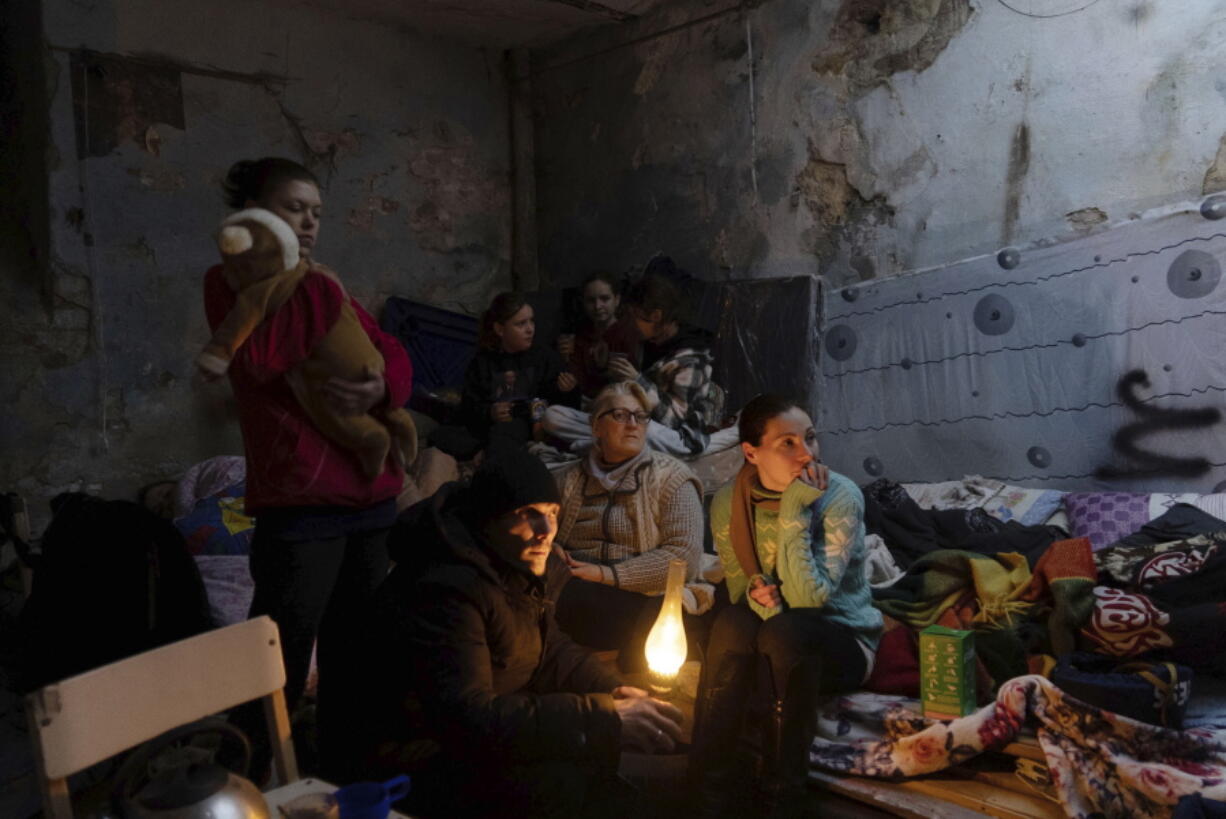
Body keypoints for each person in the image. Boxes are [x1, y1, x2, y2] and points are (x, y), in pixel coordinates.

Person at [202, 157, 413, 777]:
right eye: (295, 208)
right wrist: (314, 291)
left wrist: (381, 391)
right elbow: (260, 361)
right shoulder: (230, 284)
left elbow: (390, 351)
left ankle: (342, 777)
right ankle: (241, 780)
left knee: (357, 653)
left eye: (316, 212)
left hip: (371, 499)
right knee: (276, 658)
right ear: (254, 215)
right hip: (301, 505)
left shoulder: (320, 283)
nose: (310, 223)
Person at [348, 447, 684, 818]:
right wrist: (601, 716)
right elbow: (468, 718)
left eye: (553, 515)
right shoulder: (445, 587)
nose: (546, 532)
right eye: (530, 515)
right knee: (562, 777)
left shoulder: (511, 560)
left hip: (469, 732)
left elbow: (548, 648)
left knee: (592, 754)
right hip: (410, 756)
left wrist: (612, 689)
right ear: (489, 519)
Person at [690, 395, 882, 818]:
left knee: (786, 630)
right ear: (751, 453)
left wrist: (795, 507)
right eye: (788, 443)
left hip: (841, 638)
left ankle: (782, 799)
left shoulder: (840, 496)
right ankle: (707, 793)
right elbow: (742, 587)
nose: (807, 453)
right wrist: (761, 588)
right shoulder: (728, 501)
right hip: (770, 632)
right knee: (730, 622)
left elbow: (810, 599)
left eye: (810, 439)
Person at [553, 381, 716, 671]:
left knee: (659, 622)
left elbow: (683, 558)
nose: (633, 424)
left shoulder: (672, 478)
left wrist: (605, 574)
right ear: (595, 428)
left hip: (645, 594)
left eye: (640, 417)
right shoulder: (568, 480)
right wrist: (552, 551)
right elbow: (541, 535)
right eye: (620, 415)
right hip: (576, 588)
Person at [543, 270, 735, 457]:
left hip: (673, 434)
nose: (632, 323)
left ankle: (598, 445)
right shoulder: (646, 341)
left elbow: (675, 419)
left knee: (641, 431)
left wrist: (637, 380)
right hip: (632, 419)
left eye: (636, 317)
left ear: (656, 316)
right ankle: (605, 444)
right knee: (553, 416)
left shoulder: (692, 356)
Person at [456, 291, 579, 452]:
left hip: (540, 428)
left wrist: (569, 390)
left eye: (531, 321)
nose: (530, 329)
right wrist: (489, 413)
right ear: (500, 329)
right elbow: (468, 407)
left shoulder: (544, 357)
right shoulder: (483, 363)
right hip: (498, 429)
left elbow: (568, 407)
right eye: (521, 324)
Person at [559, 273, 640, 400]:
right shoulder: (581, 335)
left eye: (605, 299)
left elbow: (631, 380)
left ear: (617, 300)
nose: (597, 306)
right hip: (588, 403)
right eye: (591, 300)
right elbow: (578, 380)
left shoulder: (629, 332)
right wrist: (566, 367)